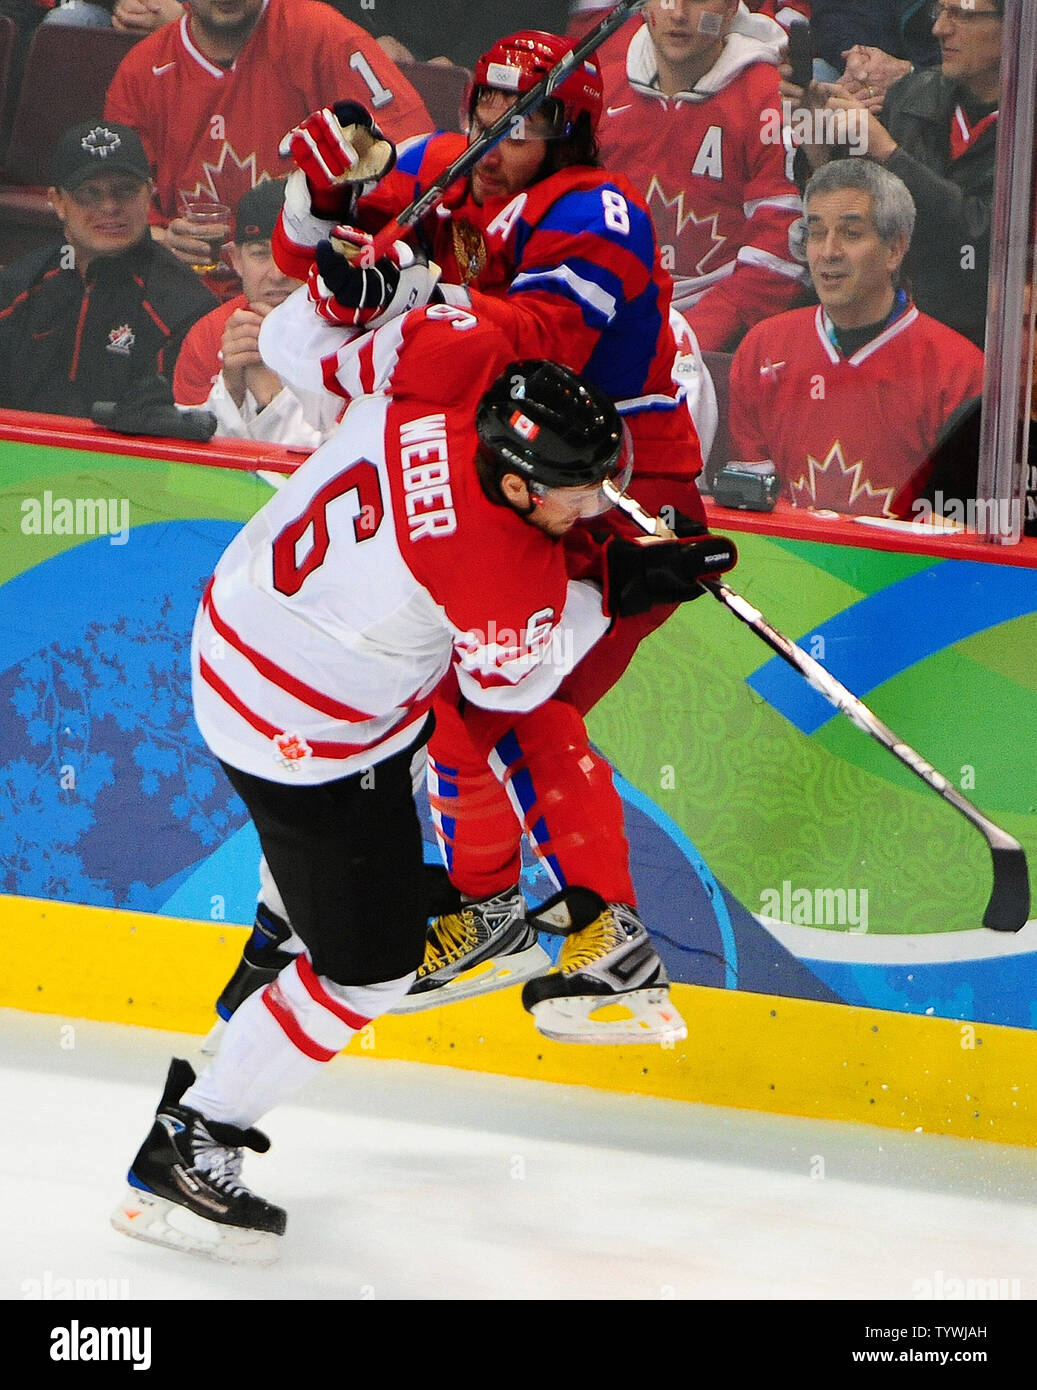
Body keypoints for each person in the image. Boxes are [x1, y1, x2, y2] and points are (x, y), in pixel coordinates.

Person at [110, 302, 734, 1262]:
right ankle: (189, 1144)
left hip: (239, 630)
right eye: (578, 494)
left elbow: (308, 347)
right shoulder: (496, 573)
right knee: (371, 970)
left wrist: (594, 554)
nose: (598, 506)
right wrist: (618, 586)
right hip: (303, 736)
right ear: (521, 488)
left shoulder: (438, 379)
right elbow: (511, 686)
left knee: (405, 723)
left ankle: (289, 930)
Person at [207, 31, 726, 1024]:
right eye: (489, 109)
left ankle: (563, 922)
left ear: (565, 127)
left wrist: (407, 295)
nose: (498, 135)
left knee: (505, 699)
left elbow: (535, 356)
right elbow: (300, 274)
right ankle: (520, 912)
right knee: (468, 699)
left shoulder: (596, 210)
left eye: (525, 119)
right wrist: (315, 205)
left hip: (615, 493)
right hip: (507, 483)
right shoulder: (434, 173)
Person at [724, 158, 984, 516]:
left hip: (907, 571)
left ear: (895, 249)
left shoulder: (960, 369)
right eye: (816, 232)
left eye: (850, 233)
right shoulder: (762, 349)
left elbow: (959, 528)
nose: (828, 252)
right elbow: (749, 503)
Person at [102, 0, 433, 273]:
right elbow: (113, 202)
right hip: (189, 287)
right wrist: (161, 238)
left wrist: (325, 231)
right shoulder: (143, 68)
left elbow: (414, 158)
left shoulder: (319, 33)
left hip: (309, 286)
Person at [588, 0, 809, 352]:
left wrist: (688, 340)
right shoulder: (601, 88)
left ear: (730, 8)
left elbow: (780, 247)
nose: (678, 14)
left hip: (714, 341)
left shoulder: (771, 98)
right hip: (607, 315)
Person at [784, 0, 1003, 347]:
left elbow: (986, 237)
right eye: (940, 12)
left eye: (962, 15)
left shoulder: (1023, 128)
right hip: (890, 324)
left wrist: (889, 152)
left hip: (982, 334)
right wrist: (818, 139)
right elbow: (850, 216)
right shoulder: (915, 94)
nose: (939, 29)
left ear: (1017, 29)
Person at [0, 120, 215, 416]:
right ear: (57, 201)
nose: (109, 206)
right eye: (90, 193)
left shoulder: (185, 308)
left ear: (149, 193)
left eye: (125, 191)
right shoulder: (17, 288)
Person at [173, 178, 337, 448]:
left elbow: (346, 471)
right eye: (261, 254)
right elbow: (188, 473)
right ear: (236, 260)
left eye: (294, 256)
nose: (277, 274)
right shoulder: (208, 334)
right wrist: (231, 392)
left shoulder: (357, 338)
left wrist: (270, 397)